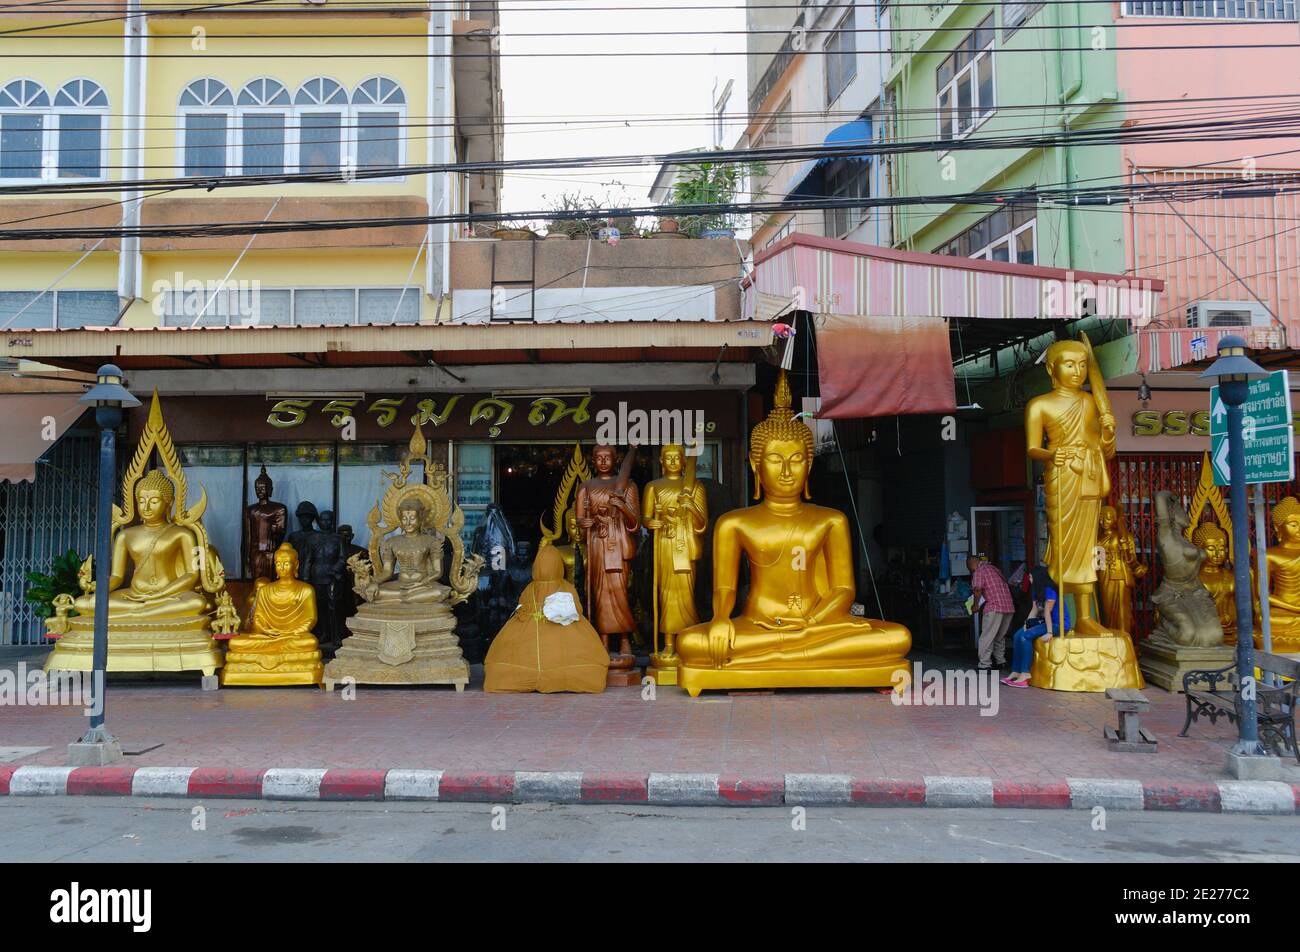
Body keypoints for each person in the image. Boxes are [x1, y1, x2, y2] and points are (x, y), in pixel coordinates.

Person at [1004, 570, 1072, 687]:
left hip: (1058, 625)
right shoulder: (1036, 591)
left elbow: (1047, 611)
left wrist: (1050, 632)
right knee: (1017, 635)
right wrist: (1027, 624)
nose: (1029, 580)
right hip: (1044, 622)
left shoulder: (1050, 590)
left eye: (1031, 577)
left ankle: (1025, 674)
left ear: (1038, 577)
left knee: (1025, 637)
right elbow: (1034, 610)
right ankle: (1016, 671)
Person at [968, 554, 1013, 671]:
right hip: (1008, 607)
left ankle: (984, 665)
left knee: (987, 636)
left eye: (969, 568)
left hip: (994, 607)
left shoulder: (979, 570)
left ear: (972, 564)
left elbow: (978, 589)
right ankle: (1001, 662)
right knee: (999, 636)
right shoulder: (994, 569)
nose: (971, 571)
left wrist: (975, 605)